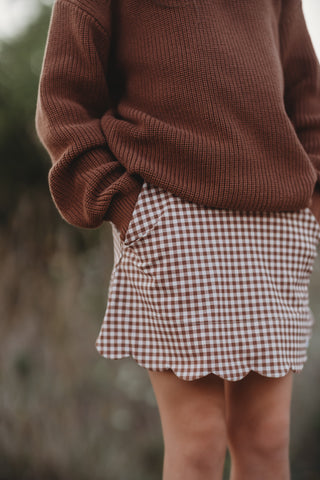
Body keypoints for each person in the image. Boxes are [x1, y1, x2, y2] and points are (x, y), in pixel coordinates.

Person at [35, 0, 320, 478]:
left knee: (267, 438)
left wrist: (314, 194)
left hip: (275, 222)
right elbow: (62, 104)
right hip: (175, 218)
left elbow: (305, 89)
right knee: (198, 442)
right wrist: (127, 206)